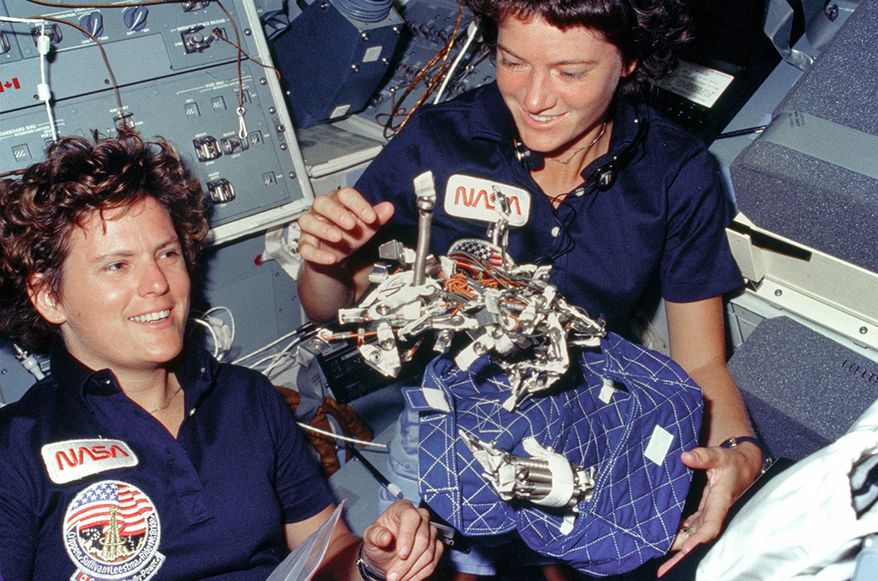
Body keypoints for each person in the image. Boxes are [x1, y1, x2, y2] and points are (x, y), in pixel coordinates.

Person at [296, 0, 766, 577]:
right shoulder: (440, 142)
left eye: (570, 73)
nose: (535, 98)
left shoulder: (676, 172)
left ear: (630, 62)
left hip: (591, 424)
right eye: (512, 61)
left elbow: (700, 365)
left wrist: (742, 455)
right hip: (449, 433)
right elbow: (332, 313)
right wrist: (326, 264)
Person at [0, 130, 443, 580]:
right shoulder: (14, 449)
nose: (158, 284)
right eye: (117, 265)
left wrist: (374, 562)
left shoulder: (246, 398)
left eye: (167, 253)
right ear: (48, 296)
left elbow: (325, 551)